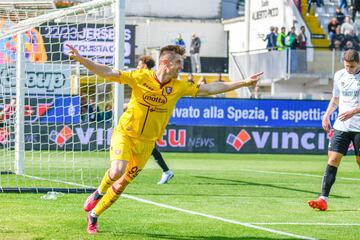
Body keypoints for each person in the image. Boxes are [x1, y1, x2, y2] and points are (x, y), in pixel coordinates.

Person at [67, 43, 263, 234]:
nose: (181, 66)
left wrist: (244, 82)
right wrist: (82, 59)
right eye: (178, 62)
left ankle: (93, 216)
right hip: (125, 134)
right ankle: (99, 193)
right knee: (117, 170)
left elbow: (210, 89)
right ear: (165, 63)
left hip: (147, 143)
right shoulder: (140, 76)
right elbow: (108, 72)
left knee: (122, 183)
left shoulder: (179, 86)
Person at [308, 49, 360, 211]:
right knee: (332, 160)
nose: (348, 69)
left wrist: (353, 111)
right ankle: (323, 199)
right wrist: (326, 115)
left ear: (358, 63)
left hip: (359, 127)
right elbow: (336, 98)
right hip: (342, 126)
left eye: (351, 67)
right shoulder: (339, 75)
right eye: (346, 66)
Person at [136, 55, 175, 184]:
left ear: (144, 65)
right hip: (143, 118)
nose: (137, 66)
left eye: (139, 64)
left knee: (149, 147)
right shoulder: (144, 76)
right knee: (149, 148)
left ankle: (166, 171)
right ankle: (166, 171)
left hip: (151, 119)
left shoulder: (147, 76)